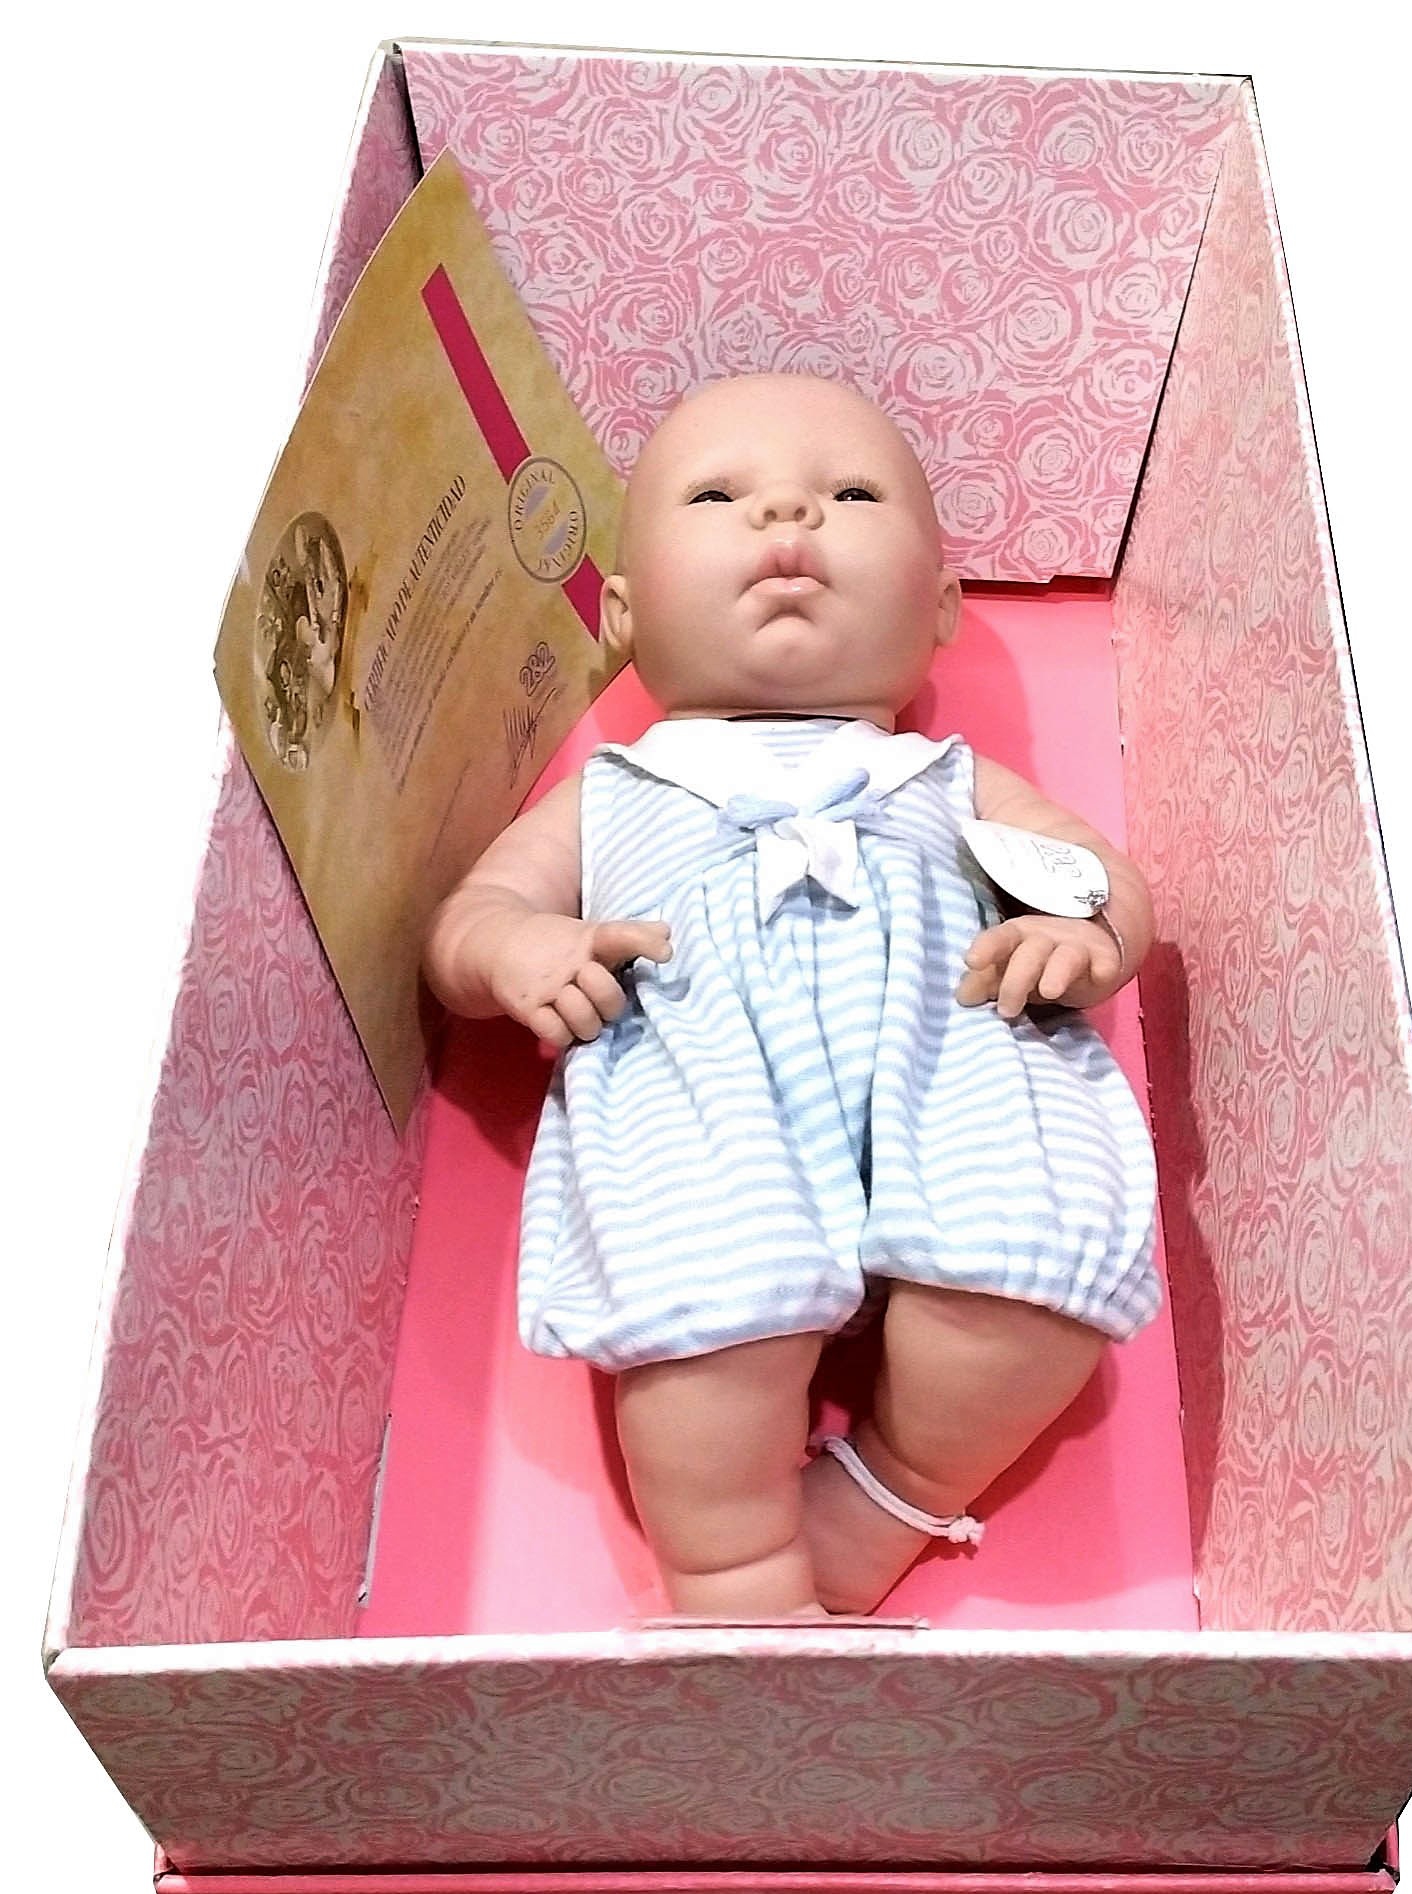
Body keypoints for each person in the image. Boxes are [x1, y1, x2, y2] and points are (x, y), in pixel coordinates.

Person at [423, 372, 1162, 1622]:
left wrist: (1081, 934)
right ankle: (735, 1582)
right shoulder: (614, 791)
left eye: (852, 496)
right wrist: (513, 950)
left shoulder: (944, 775)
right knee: (703, 1327)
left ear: (938, 608)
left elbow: (1099, 879)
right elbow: (467, 919)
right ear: (622, 614)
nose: (786, 515)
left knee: (1030, 1289)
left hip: (953, 1060)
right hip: (703, 1085)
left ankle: (887, 1498)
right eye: (717, 497)